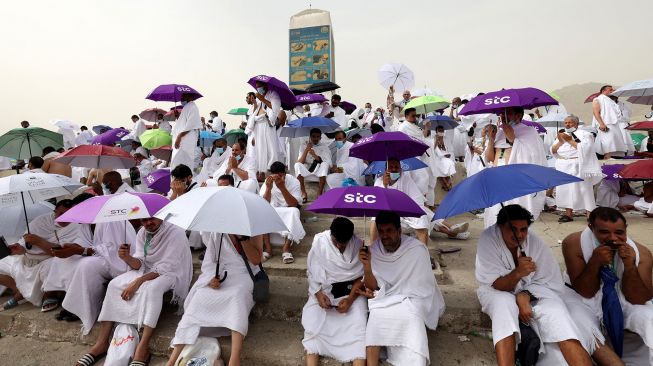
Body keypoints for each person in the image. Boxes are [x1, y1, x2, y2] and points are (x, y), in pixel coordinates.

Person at [476, 204, 593, 366]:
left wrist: (524, 296)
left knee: (558, 316)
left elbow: (550, 282)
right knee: (503, 307)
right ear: (500, 226)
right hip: (496, 291)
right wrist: (518, 273)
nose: (519, 235)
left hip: (536, 291)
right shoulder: (488, 239)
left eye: (523, 229)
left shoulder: (534, 242)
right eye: (512, 229)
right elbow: (496, 284)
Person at [78, 218, 192, 366]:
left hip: (172, 272)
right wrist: (127, 258)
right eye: (144, 220)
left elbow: (167, 266)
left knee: (152, 289)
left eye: (151, 219)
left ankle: (143, 346)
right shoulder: (142, 233)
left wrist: (138, 282)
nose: (148, 223)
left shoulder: (175, 232)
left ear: (161, 216)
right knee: (113, 285)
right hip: (146, 271)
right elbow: (140, 263)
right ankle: (101, 343)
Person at [562, 207, 653, 365]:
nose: (613, 238)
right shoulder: (573, 243)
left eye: (619, 232)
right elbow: (586, 292)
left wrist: (630, 267)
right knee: (579, 320)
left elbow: (638, 299)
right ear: (591, 228)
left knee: (648, 317)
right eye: (604, 232)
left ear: (626, 229)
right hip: (581, 299)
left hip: (622, 298)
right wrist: (595, 262)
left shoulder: (642, 253)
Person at [360, 211, 445, 366]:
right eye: (381, 231)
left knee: (413, 317)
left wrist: (397, 295)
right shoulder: (375, 250)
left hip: (412, 298)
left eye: (389, 230)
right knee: (375, 317)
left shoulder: (417, 249)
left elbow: (423, 289)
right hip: (385, 298)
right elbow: (373, 287)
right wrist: (367, 266)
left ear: (399, 231)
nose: (384, 236)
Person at [166, 233, 263, 366]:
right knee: (199, 298)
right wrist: (211, 279)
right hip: (222, 273)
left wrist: (242, 238)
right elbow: (210, 262)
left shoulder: (254, 228)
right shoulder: (218, 230)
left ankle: (235, 358)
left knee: (236, 296)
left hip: (245, 273)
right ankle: (172, 360)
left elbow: (256, 260)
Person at [302, 217, 367, 365]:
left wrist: (350, 300)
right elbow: (312, 274)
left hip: (352, 294)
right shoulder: (319, 242)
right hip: (325, 292)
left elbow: (360, 279)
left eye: (343, 243)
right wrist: (319, 295)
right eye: (335, 241)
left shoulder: (358, 245)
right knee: (313, 327)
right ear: (331, 234)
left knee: (358, 324)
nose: (338, 246)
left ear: (350, 238)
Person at [0, 200, 80, 312]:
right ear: (55, 211)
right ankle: (19, 291)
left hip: (48, 262)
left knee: (55, 264)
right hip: (26, 260)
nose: (64, 218)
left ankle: (48, 294)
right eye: (61, 214)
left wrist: (40, 242)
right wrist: (20, 248)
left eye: (68, 214)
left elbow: (65, 251)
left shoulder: (77, 226)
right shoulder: (41, 221)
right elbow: (25, 244)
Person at [484, 107, 547, 227]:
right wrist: (491, 139)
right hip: (497, 178)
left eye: (508, 113)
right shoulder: (500, 132)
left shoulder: (529, 132)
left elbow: (533, 156)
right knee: (496, 213)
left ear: (518, 116)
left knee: (514, 214)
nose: (503, 116)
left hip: (516, 179)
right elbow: (490, 158)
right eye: (502, 114)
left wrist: (513, 140)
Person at [550, 115, 602, 222]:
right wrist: (560, 141)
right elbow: (553, 151)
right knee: (565, 190)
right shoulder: (561, 135)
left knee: (584, 189)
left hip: (578, 164)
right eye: (566, 123)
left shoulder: (585, 134)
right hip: (563, 165)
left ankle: (590, 215)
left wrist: (569, 140)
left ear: (577, 124)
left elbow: (586, 149)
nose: (567, 125)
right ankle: (568, 214)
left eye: (570, 123)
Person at [370, 158, 433, 246]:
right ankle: (373, 248)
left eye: (396, 167)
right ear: (385, 170)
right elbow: (379, 203)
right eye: (391, 167)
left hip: (406, 214)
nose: (394, 169)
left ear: (400, 168)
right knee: (375, 216)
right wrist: (384, 186)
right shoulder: (379, 182)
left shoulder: (406, 180)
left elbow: (418, 201)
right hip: (388, 215)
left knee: (422, 216)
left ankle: (424, 252)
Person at [260, 161, 305, 264]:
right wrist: (268, 188)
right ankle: (268, 249)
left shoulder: (293, 181)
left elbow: (293, 204)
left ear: (284, 173)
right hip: (273, 209)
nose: (278, 178)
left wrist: (282, 187)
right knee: (262, 212)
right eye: (275, 175)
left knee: (294, 212)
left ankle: (286, 249)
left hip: (289, 208)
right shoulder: (269, 180)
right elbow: (264, 203)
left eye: (280, 175)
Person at [399, 108, 436, 208]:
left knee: (424, 179)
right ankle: (415, 204)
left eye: (416, 115)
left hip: (419, 156)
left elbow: (422, 138)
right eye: (412, 115)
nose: (415, 117)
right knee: (417, 179)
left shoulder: (416, 127)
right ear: (406, 116)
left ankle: (421, 203)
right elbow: (401, 143)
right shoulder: (403, 127)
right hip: (409, 157)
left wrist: (426, 127)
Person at [247, 81, 282, 178]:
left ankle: (273, 171)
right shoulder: (258, 98)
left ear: (265, 86)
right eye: (257, 87)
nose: (258, 89)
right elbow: (254, 114)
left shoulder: (273, 94)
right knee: (259, 150)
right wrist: (253, 134)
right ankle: (261, 172)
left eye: (260, 87)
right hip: (258, 127)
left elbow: (275, 108)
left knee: (271, 149)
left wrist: (262, 99)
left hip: (268, 125)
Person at [295, 128, 332, 202]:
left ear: (320, 138)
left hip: (319, 168)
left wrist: (314, 155)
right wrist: (306, 149)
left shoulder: (324, 147)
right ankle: (303, 192)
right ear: (310, 137)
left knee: (325, 164)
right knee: (297, 165)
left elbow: (327, 162)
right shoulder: (303, 145)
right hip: (307, 168)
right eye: (313, 136)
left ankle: (320, 192)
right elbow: (300, 162)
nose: (315, 138)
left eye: (317, 137)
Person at [592, 85, 627, 159]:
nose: (612, 91)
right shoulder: (598, 99)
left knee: (615, 139)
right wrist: (601, 124)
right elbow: (596, 112)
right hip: (605, 123)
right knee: (607, 139)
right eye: (610, 89)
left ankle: (613, 155)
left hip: (614, 123)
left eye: (612, 90)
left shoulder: (610, 100)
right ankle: (607, 156)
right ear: (603, 91)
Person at [171, 93, 202, 171]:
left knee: (184, 161)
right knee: (177, 161)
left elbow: (191, 125)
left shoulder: (193, 107)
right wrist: (178, 116)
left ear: (190, 96)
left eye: (183, 96)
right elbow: (183, 123)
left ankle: (185, 181)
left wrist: (179, 137)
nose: (181, 98)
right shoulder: (187, 107)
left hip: (186, 139)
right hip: (183, 139)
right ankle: (177, 181)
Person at [432, 125, 456, 191]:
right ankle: (447, 184)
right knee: (438, 165)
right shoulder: (433, 139)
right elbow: (432, 150)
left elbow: (450, 149)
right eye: (439, 130)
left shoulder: (446, 138)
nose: (441, 132)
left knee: (450, 163)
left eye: (442, 130)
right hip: (437, 157)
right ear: (436, 131)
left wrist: (448, 154)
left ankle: (446, 184)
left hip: (446, 156)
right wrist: (436, 141)